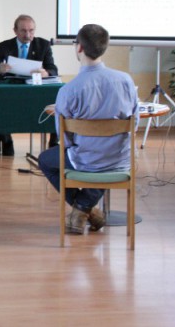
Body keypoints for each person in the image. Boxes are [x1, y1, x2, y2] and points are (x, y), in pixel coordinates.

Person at [38, 24, 138, 234]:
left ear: (79, 48)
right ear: (104, 47)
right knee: (105, 158)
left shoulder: (69, 90)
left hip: (87, 159)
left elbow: (64, 138)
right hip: (121, 157)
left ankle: (82, 208)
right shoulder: (126, 81)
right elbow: (134, 123)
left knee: (46, 160)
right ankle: (86, 209)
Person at [0, 14, 59, 156]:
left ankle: (53, 142)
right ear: (15, 30)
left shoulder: (43, 45)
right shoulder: (3, 47)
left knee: (55, 97)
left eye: (31, 30)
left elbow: (53, 69)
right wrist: (0, 70)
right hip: (11, 88)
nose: (28, 35)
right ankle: (6, 141)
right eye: (23, 31)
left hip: (35, 87)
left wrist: (45, 72)